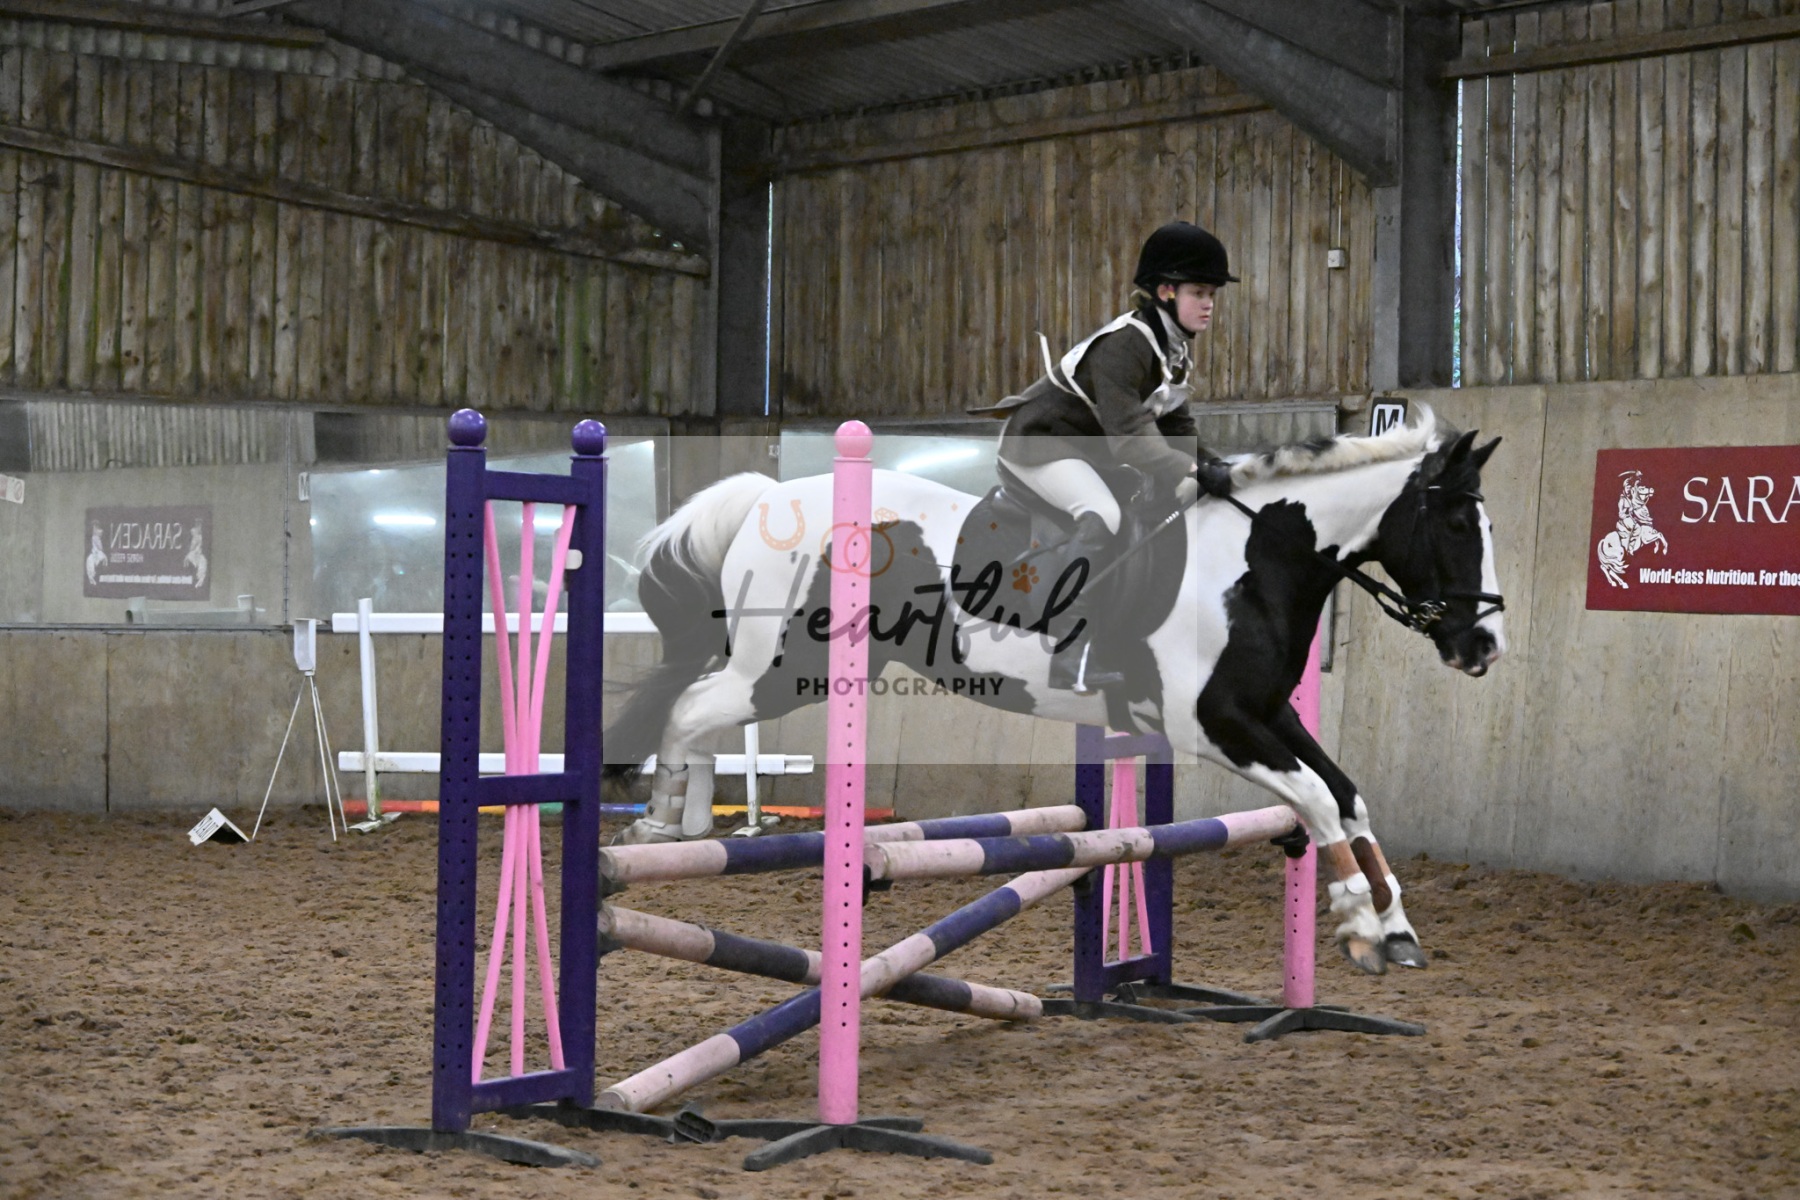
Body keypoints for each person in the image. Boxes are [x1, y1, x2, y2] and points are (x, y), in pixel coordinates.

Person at [971, 221, 1239, 694]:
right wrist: (1195, 469)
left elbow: (1177, 428)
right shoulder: (1125, 345)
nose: (1209, 304)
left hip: (1085, 451)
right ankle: (1069, 650)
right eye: (1199, 293)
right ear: (1165, 291)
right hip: (1041, 445)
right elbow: (1132, 439)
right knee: (1104, 514)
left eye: (1212, 294)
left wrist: (1223, 468)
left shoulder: (1171, 350)